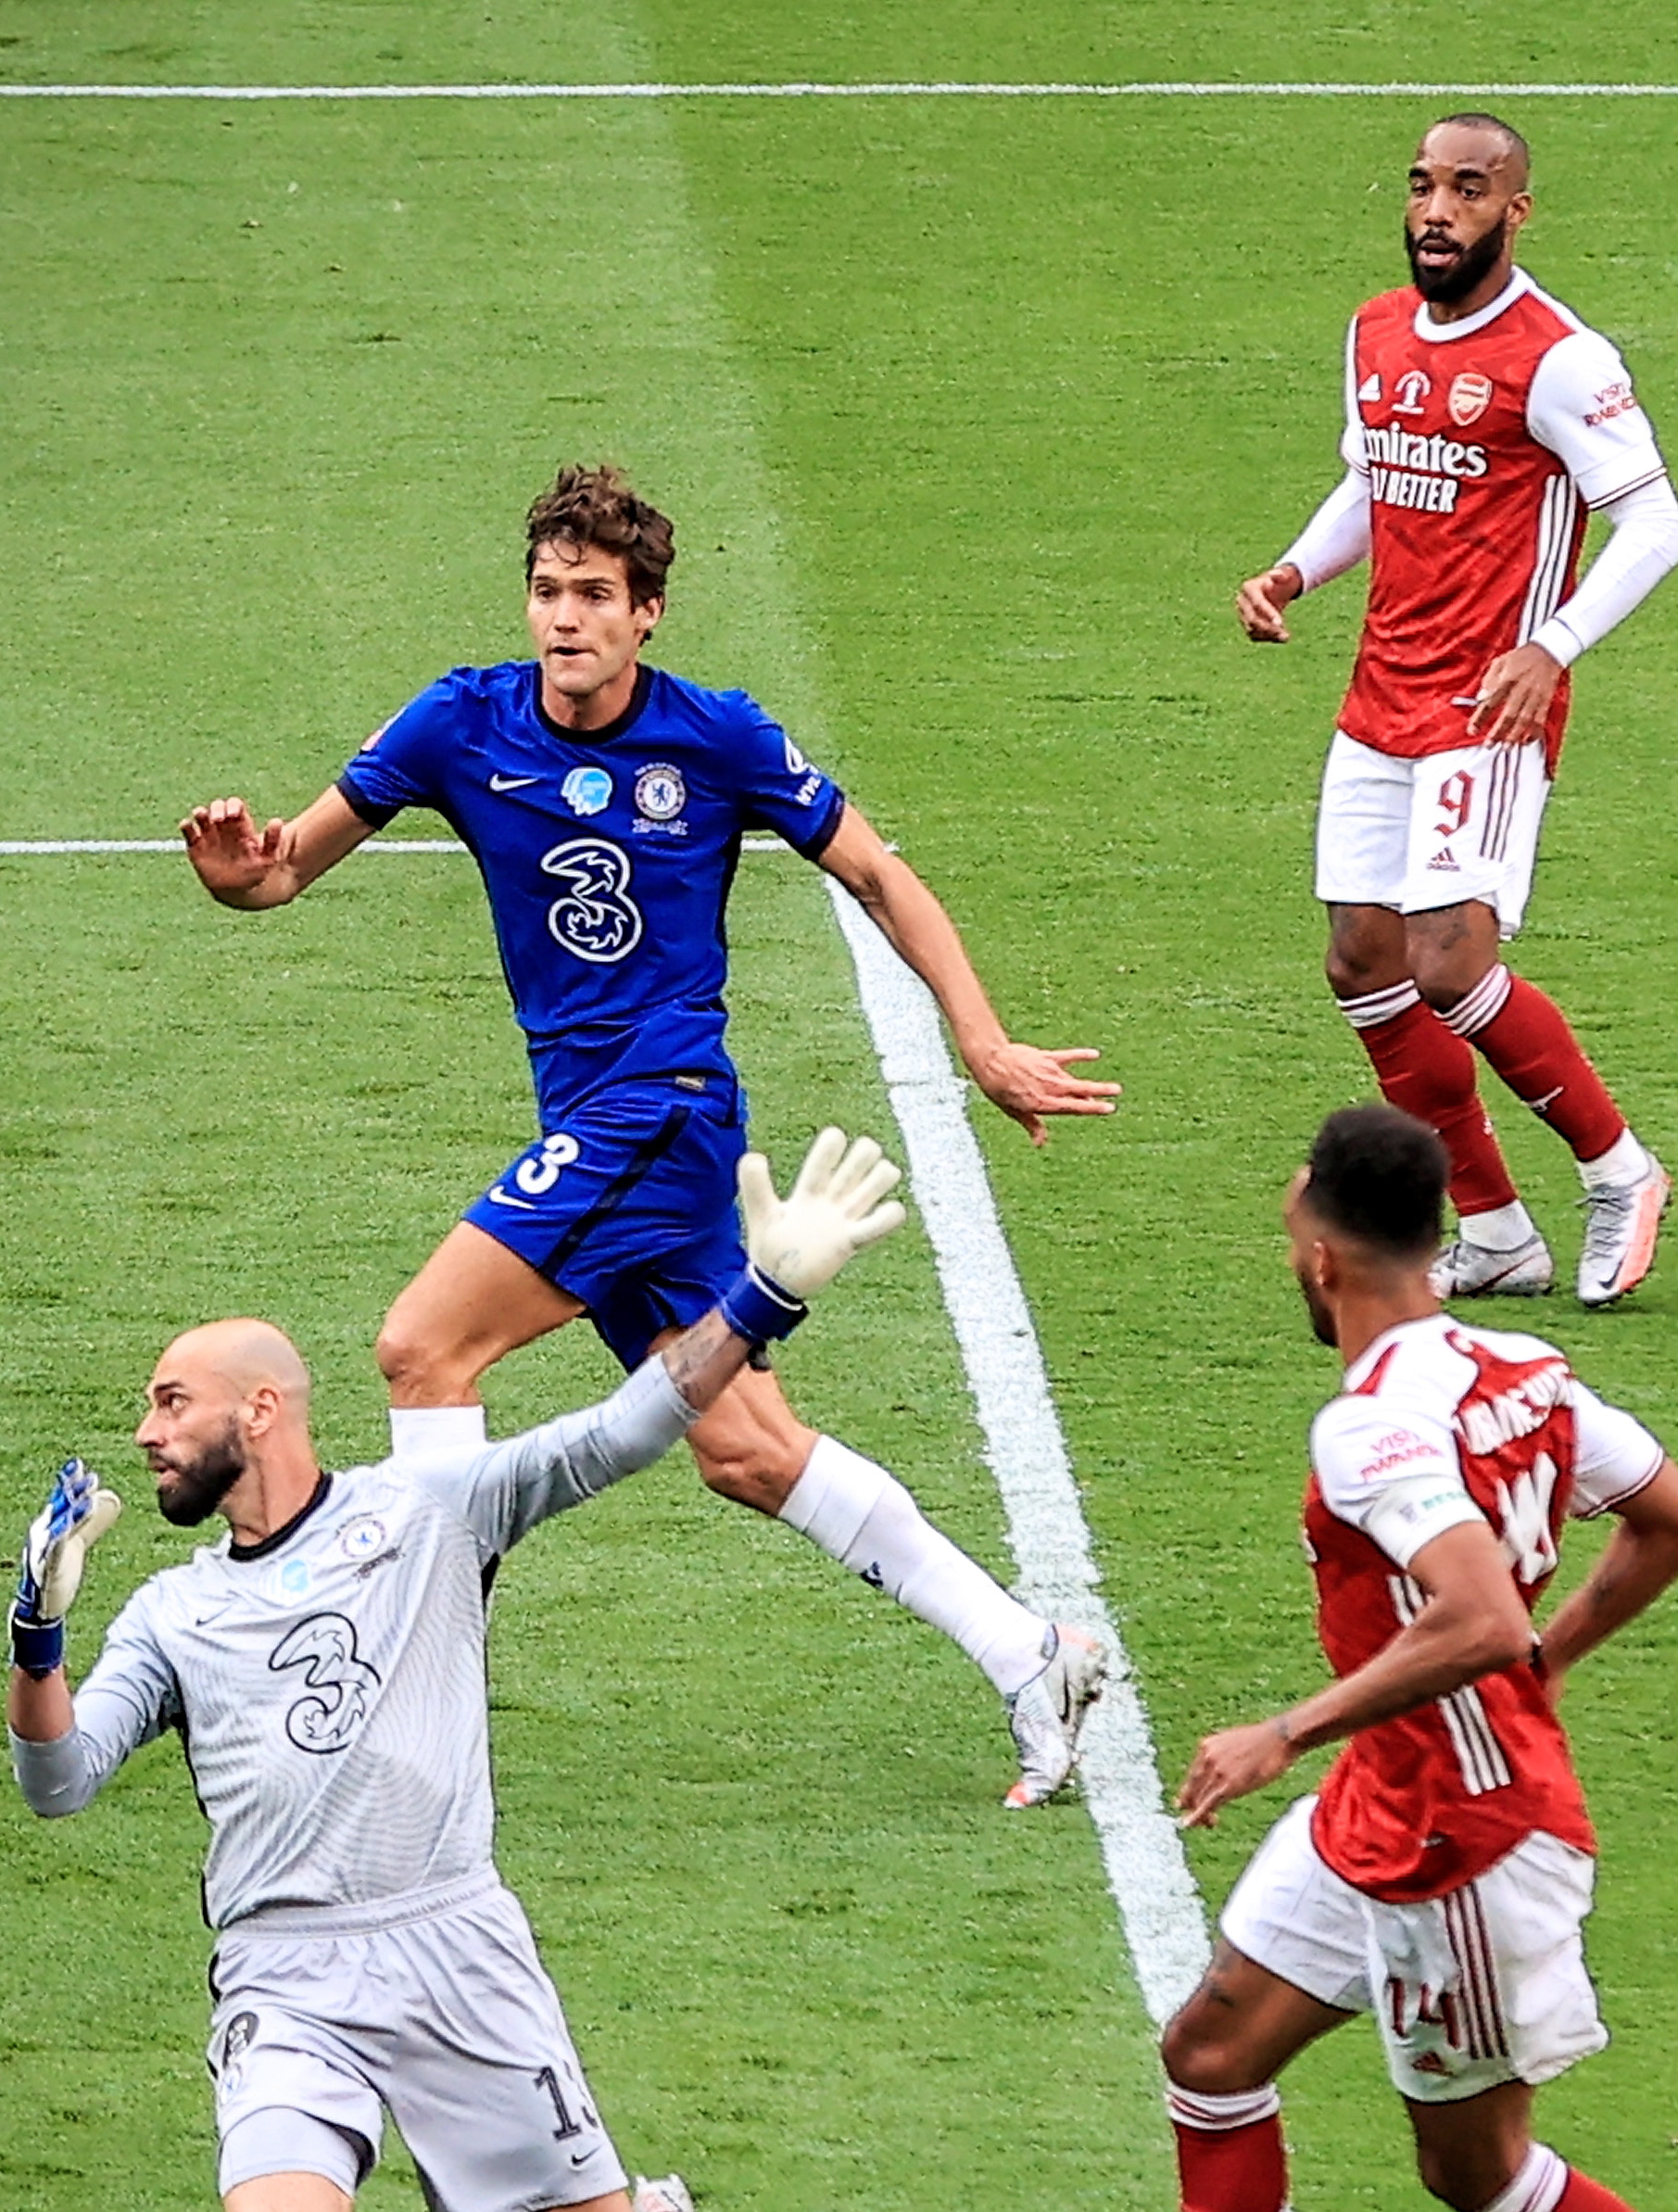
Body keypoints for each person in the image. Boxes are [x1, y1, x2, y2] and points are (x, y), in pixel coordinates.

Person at [178, 462, 1117, 1807]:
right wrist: (237, 877)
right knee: (748, 1451)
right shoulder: (459, 722)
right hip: (595, 1122)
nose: (565, 618)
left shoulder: (715, 737)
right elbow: (281, 870)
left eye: (594, 595)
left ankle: (414, 1697)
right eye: (547, 591)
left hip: (660, 1111)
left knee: (422, 1347)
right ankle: (1033, 1654)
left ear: (646, 613)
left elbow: (877, 871)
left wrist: (982, 1039)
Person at [4, 1127, 915, 2212]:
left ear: (260, 1410)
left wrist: (762, 1297)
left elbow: (616, 1433)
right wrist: (38, 1639)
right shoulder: (175, 1612)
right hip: (286, 1970)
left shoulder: (429, 1511)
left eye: (170, 1403)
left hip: (456, 1950)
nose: (144, 1433)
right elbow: (59, 1783)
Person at [1073, 1105, 1678, 2212]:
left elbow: (1477, 1614)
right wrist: (1551, 1657)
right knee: (1211, 2056)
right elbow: (1676, 1517)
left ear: (1321, 1258)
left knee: (1475, 2170)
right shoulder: (1523, 1371)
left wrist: (1287, 1730)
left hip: (1463, 1843)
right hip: (1390, 1795)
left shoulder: (1369, 1425)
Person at [1236, 112, 1678, 1308]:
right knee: (1363, 960)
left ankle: (1620, 1170)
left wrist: (1552, 646)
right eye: (1425, 186)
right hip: (1378, 694)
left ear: (1515, 211)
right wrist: (1293, 572)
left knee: (1447, 958)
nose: (1439, 211)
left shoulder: (1560, 358)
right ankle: (1493, 1231)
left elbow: (1655, 522)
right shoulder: (1376, 330)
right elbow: (1372, 476)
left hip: (1487, 705)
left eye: (1470, 190)